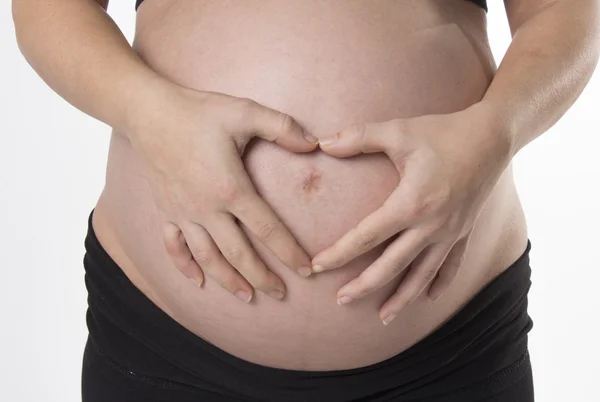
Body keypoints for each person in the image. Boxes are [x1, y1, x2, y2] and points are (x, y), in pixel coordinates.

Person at [12, 0, 599, 401]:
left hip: (447, 348)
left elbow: (562, 11)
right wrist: (147, 113)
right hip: (167, 337)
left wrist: (493, 131)